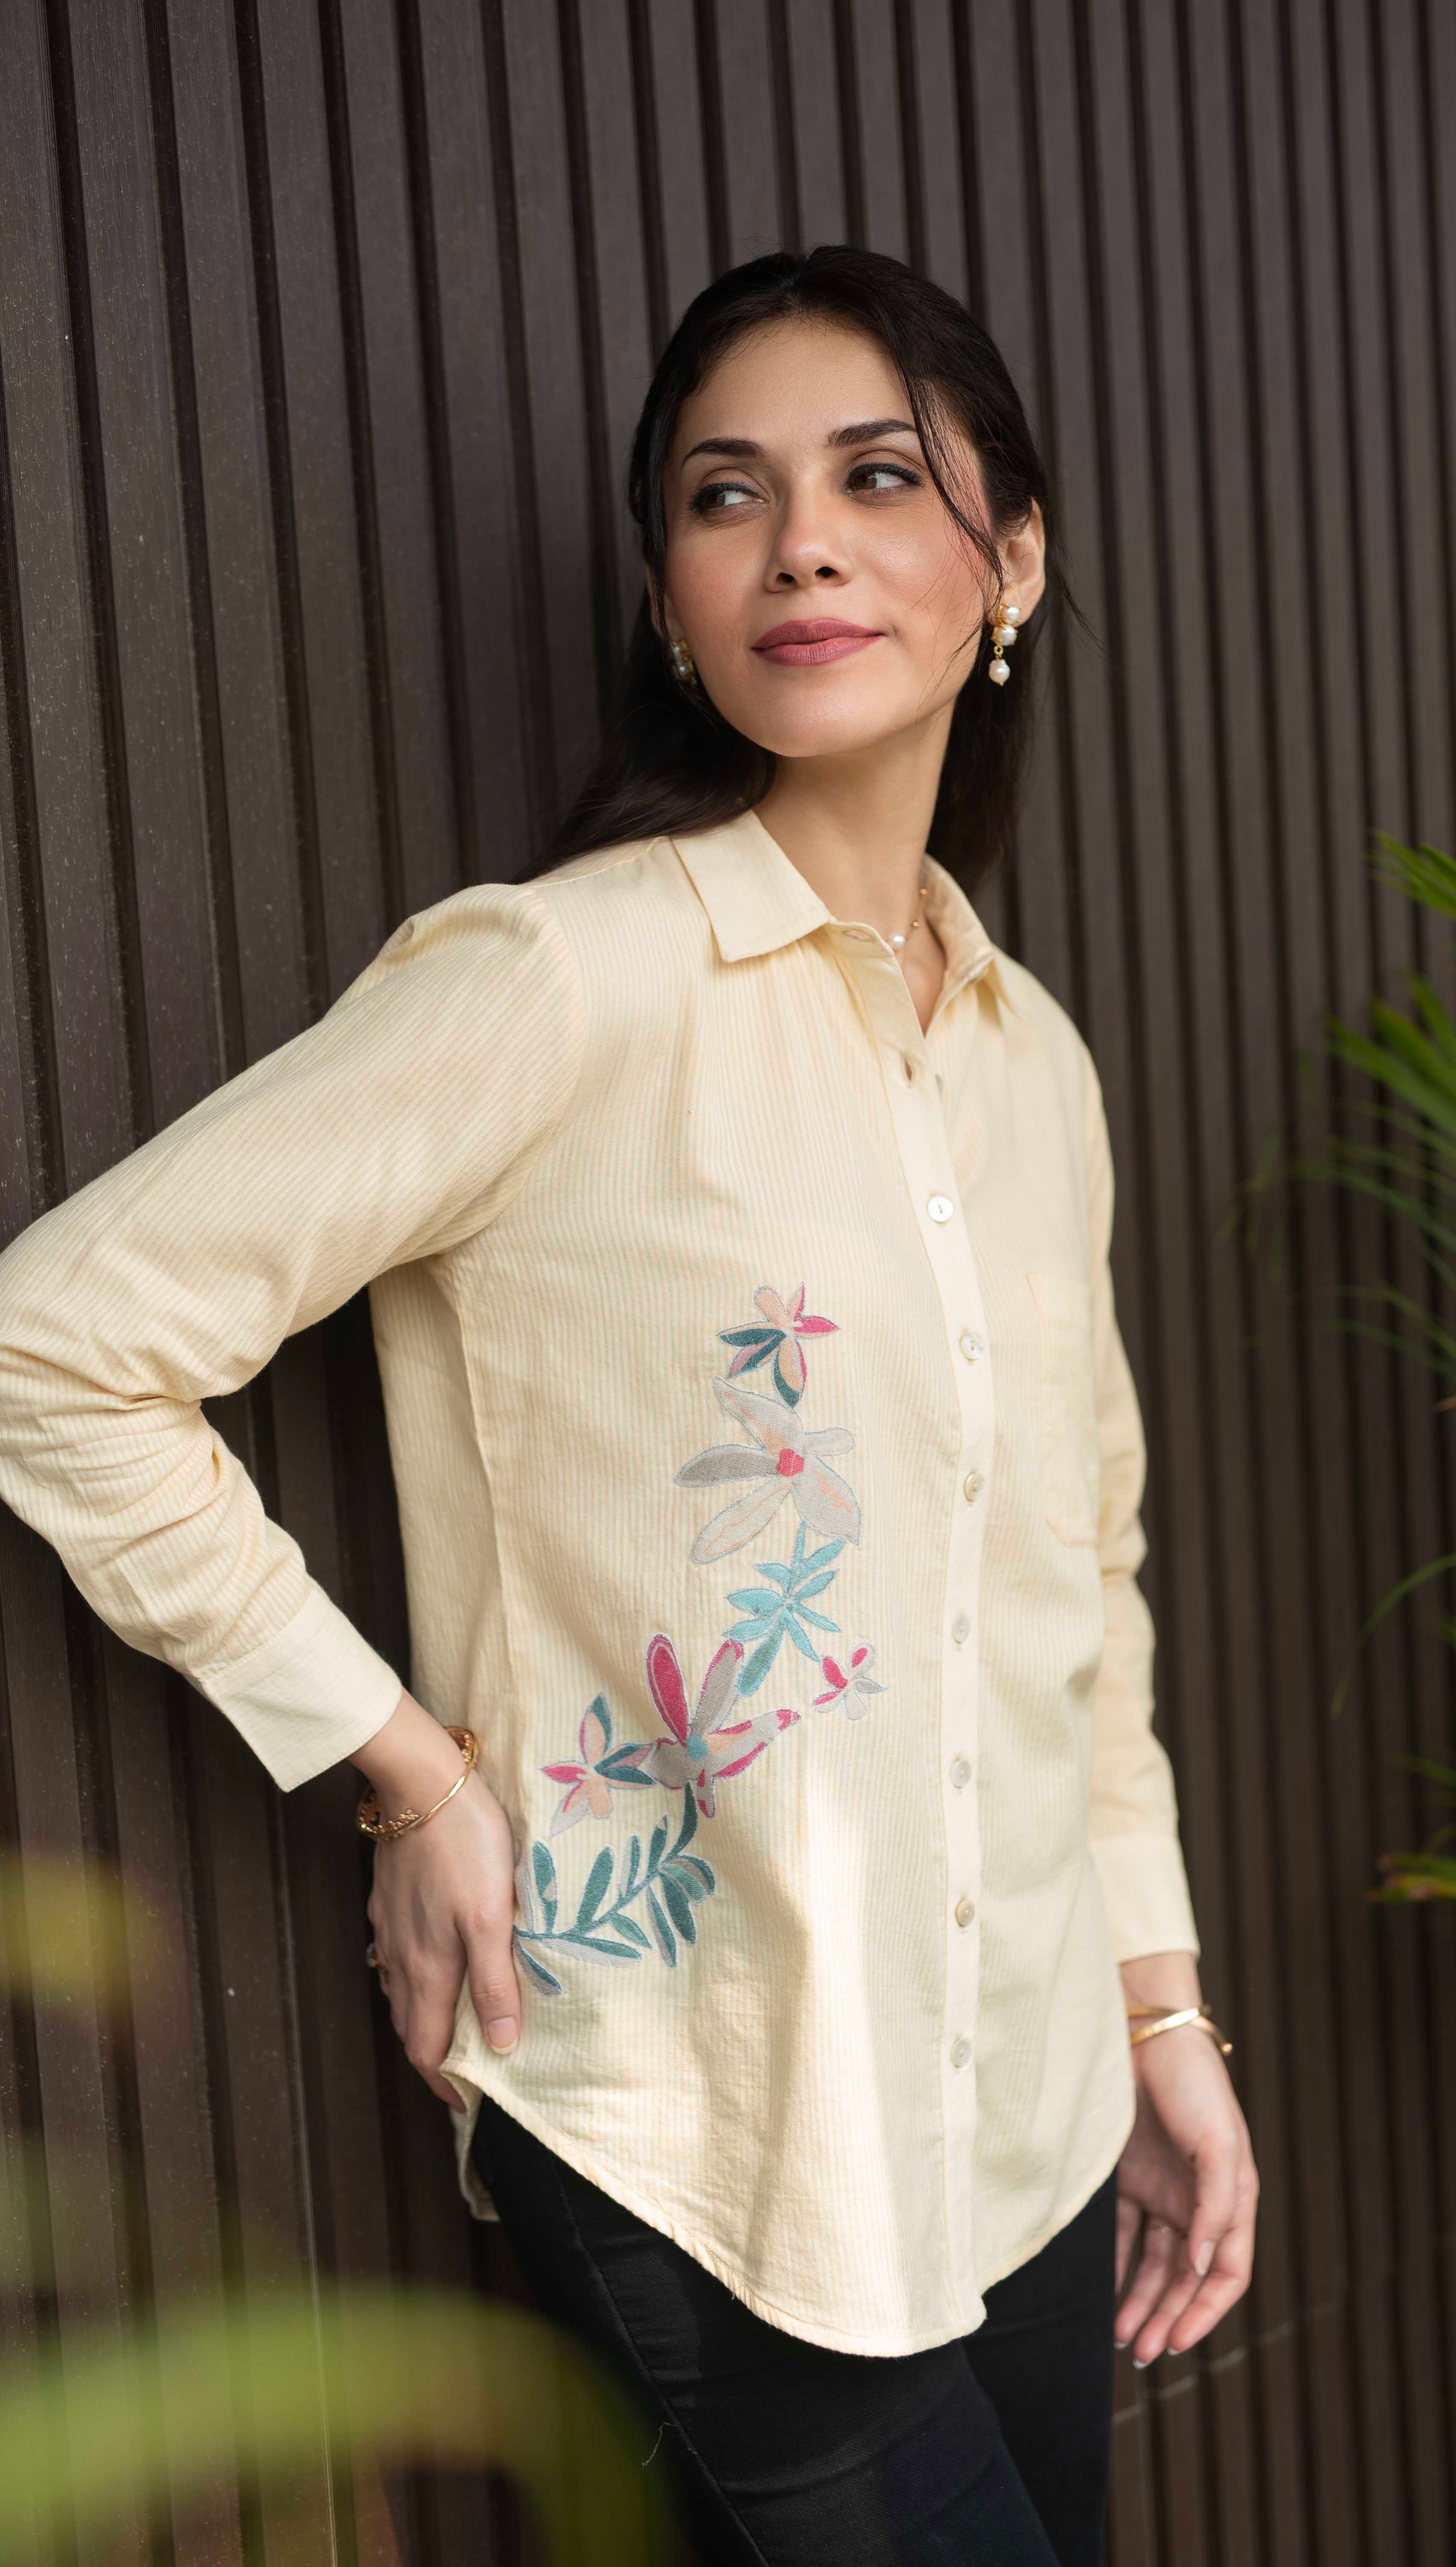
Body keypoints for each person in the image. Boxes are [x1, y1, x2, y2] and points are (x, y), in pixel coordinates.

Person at [0, 245, 1257, 2564]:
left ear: (1012, 561)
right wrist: (395, 1766)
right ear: (671, 602)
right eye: (724, 494)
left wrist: (1157, 2010)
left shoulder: (1034, 1063)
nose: (799, 546)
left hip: (1031, 2117)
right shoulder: (563, 979)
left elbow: (1077, 1586)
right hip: (707, 2135)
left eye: (876, 479)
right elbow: (54, 1342)